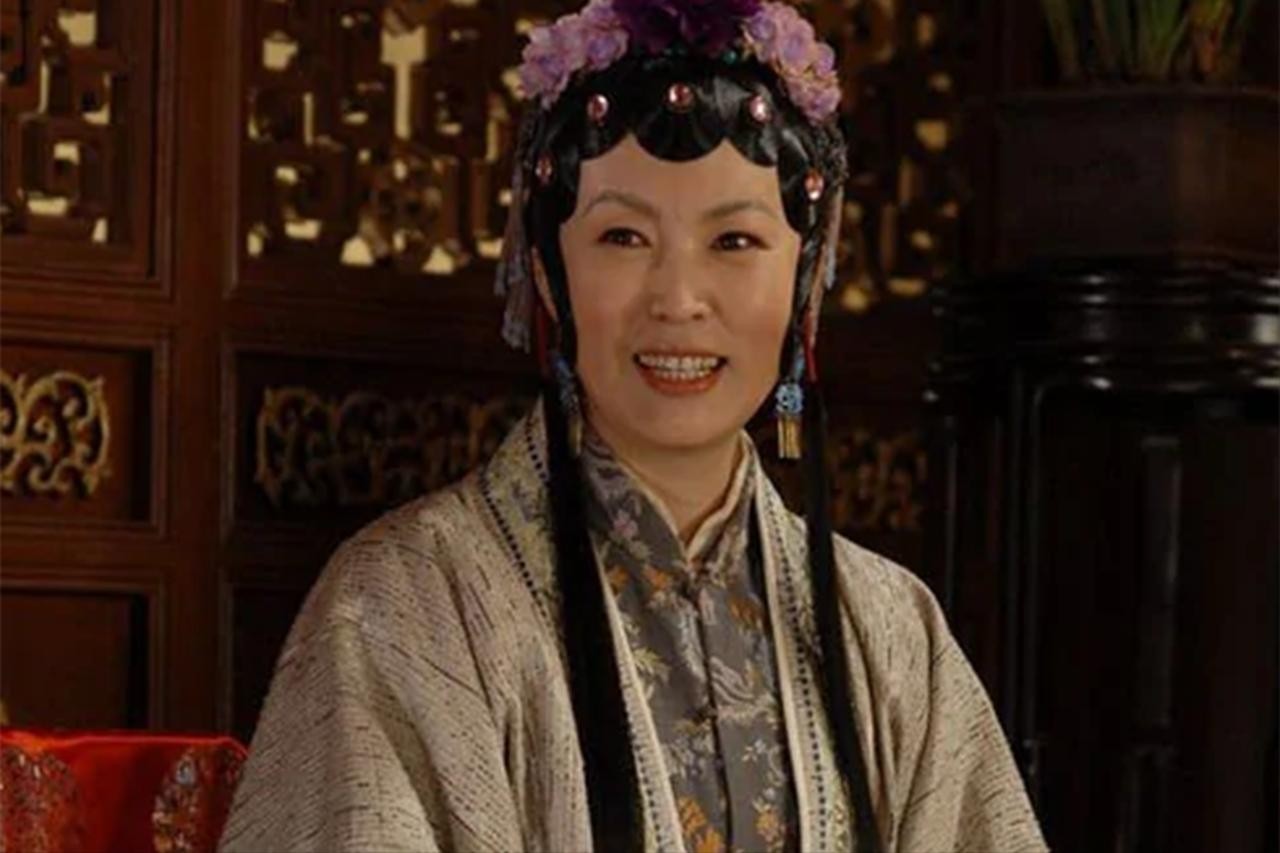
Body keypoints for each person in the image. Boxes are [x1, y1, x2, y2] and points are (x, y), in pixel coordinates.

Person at [219, 1, 1046, 850]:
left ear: (806, 281)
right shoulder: (407, 608)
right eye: (623, 236)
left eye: (734, 241)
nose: (678, 300)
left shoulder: (892, 630)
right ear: (549, 273)